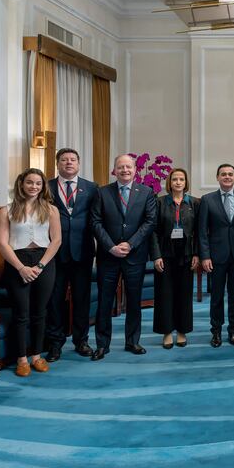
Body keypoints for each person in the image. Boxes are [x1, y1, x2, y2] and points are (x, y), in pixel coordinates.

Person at [90, 154, 157, 361]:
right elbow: (95, 222)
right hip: (108, 256)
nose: (124, 170)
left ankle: (133, 341)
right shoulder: (102, 192)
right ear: (114, 170)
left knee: (134, 301)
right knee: (104, 301)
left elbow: (150, 221)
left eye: (128, 167)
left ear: (135, 170)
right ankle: (102, 344)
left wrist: (130, 243)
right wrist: (110, 247)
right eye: (120, 167)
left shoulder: (146, 192)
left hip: (134, 255)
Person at [0, 169, 61, 376]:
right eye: (30, 182)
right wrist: (21, 268)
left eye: (38, 183)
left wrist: (40, 266)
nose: (34, 186)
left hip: (45, 261)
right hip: (18, 263)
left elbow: (56, 241)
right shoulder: (6, 210)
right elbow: (1, 244)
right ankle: (22, 359)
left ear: (43, 186)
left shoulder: (51, 210)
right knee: (21, 313)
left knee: (40, 312)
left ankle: (37, 355)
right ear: (21, 184)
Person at [45, 148, 98, 362]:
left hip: (82, 252)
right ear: (57, 164)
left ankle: (81, 340)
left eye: (73, 160)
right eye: (64, 160)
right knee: (55, 300)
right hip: (54, 253)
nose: (69, 163)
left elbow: (96, 218)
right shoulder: (46, 187)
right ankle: (55, 344)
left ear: (78, 163)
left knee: (81, 299)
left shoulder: (92, 188)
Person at [199, 164, 234, 348]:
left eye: (230, 174)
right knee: (217, 297)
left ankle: (233, 331)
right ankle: (216, 332)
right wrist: (205, 256)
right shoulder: (207, 200)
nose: (227, 177)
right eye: (223, 174)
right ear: (217, 177)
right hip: (216, 257)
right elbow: (202, 231)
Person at [150, 168, 199, 349]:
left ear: (186, 183)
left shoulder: (194, 203)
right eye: (175, 179)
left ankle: (181, 331)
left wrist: (197, 254)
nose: (178, 182)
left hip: (187, 255)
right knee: (165, 293)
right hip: (165, 254)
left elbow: (199, 232)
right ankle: (167, 332)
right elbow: (153, 231)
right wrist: (156, 256)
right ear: (169, 183)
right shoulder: (160, 203)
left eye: (181, 179)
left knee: (184, 294)